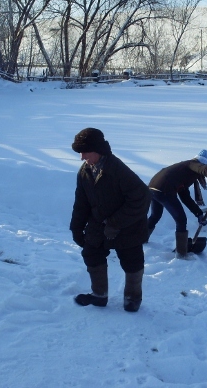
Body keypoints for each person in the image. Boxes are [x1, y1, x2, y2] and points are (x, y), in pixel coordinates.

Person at [69, 128, 151, 312]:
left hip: (129, 224)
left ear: (97, 150)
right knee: (91, 252)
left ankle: (132, 299)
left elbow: (142, 198)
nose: (82, 157)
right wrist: (76, 228)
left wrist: (115, 223)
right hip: (99, 222)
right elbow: (81, 202)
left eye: (85, 152)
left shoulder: (117, 170)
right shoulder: (85, 172)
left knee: (132, 260)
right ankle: (99, 295)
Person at [147, 150, 207, 259]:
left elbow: (185, 197)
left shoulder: (185, 172)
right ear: (203, 162)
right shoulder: (193, 164)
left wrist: (198, 214)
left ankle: (141, 240)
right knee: (181, 219)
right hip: (164, 189)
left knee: (155, 215)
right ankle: (181, 252)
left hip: (153, 188)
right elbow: (206, 170)